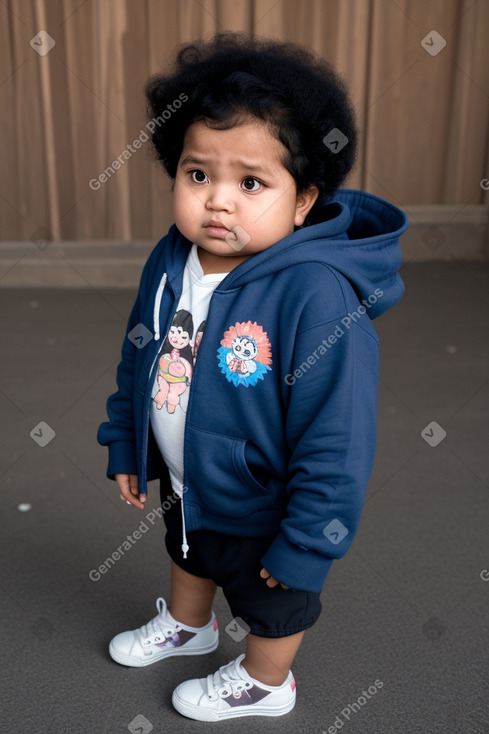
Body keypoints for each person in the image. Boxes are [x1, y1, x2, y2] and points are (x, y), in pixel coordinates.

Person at [97, 32, 408, 722]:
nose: (217, 202)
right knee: (187, 553)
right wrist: (127, 442)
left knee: (271, 601)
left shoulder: (315, 296)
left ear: (303, 201)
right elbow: (141, 354)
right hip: (187, 478)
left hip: (265, 508)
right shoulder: (172, 258)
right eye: (197, 174)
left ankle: (267, 683)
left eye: (251, 182)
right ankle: (190, 625)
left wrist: (306, 542)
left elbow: (339, 436)